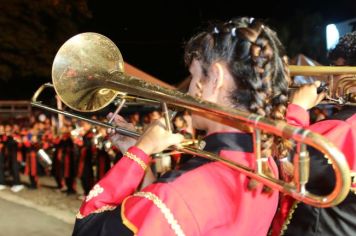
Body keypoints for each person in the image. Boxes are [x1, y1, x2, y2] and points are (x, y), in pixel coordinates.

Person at [73, 17, 301, 235]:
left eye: (193, 76)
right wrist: (140, 161)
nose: (189, 90)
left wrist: (137, 155)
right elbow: (159, 215)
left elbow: (89, 227)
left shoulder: (177, 192)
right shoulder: (265, 164)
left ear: (216, 78)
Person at [270, 31, 356, 236]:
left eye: (334, 69)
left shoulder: (343, 127)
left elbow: (283, 168)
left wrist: (297, 109)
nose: (329, 79)